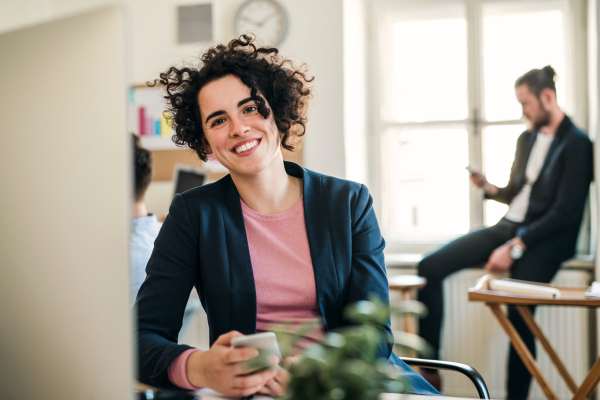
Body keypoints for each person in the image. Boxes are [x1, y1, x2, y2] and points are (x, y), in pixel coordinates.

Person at [135, 35, 439, 397]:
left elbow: (375, 335)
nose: (238, 128)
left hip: (350, 385)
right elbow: (141, 337)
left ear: (277, 112)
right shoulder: (193, 215)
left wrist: (318, 373)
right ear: (204, 143)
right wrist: (200, 366)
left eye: (250, 108)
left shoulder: (348, 202)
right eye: (218, 120)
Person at [417, 65, 594, 399]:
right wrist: (489, 187)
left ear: (547, 97)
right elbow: (516, 193)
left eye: (525, 103)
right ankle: (429, 372)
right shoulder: (525, 138)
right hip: (509, 227)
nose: (523, 111)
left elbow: (565, 213)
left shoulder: (577, 143)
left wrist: (516, 246)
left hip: (544, 241)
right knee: (430, 266)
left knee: (519, 314)